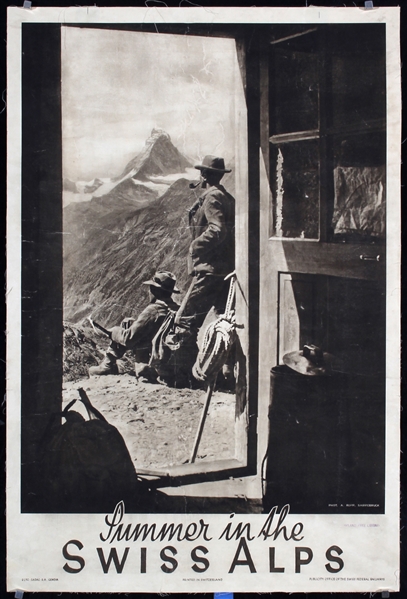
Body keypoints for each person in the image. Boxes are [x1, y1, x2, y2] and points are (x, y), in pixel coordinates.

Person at [89, 271, 180, 378]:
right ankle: (109, 365)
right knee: (128, 322)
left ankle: (108, 365)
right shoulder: (176, 308)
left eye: (151, 288)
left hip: (152, 357)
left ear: (154, 290)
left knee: (125, 329)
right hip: (166, 354)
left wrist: (114, 331)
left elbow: (129, 338)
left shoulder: (153, 310)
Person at [183, 155, 235, 329]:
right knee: (224, 320)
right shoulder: (226, 196)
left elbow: (217, 230)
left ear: (204, 174)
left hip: (209, 271)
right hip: (224, 271)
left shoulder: (212, 198)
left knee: (184, 322)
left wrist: (194, 247)